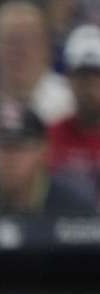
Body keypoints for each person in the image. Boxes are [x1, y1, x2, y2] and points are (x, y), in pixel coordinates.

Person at [0, 101, 96, 216]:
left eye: (19, 147)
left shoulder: (74, 210)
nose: (10, 158)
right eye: (2, 146)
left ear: (42, 151)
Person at [0, 0, 75, 126]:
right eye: (10, 40)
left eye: (29, 40)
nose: (20, 50)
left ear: (46, 46)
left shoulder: (70, 102)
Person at [48, 23, 100, 203]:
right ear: (69, 80)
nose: (91, 88)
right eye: (83, 78)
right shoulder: (50, 136)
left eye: (97, 77)